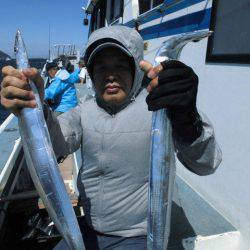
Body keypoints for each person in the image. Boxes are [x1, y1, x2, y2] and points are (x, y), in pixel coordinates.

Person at [0, 26, 221, 249]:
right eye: (102, 67)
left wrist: (187, 119)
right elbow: (56, 144)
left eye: (120, 66)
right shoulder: (84, 110)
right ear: (92, 73)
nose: (111, 75)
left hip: (139, 236)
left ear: (135, 69)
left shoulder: (160, 108)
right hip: (86, 229)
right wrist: (34, 109)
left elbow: (206, 163)